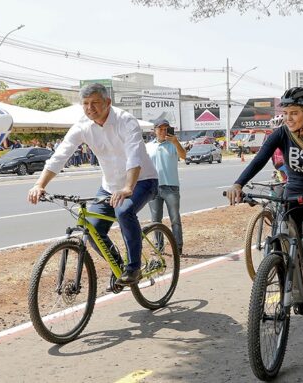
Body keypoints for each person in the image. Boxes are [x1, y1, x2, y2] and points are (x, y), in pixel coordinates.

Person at [226, 87, 303, 312]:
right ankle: (291, 277)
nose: (288, 118)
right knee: (283, 230)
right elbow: (259, 160)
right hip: (292, 192)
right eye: (286, 112)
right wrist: (238, 183)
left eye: (294, 113)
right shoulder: (281, 134)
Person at [27, 83, 158, 285]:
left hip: (141, 181)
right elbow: (61, 155)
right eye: (86, 103)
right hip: (110, 186)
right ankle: (120, 268)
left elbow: (134, 156)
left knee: (124, 212)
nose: (90, 108)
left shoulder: (125, 121)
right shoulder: (82, 126)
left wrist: (127, 188)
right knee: (93, 229)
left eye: (95, 102)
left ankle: (133, 268)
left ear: (108, 102)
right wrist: (40, 184)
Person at [146, 119, 187, 255]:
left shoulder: (172, 144)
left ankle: (177, 247)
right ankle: (158, 247)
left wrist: (175, 142)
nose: (163, 131)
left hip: (171, 187)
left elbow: (183, 156)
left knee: (174, 218)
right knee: (155, 220)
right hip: (153, 187)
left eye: (166, 129)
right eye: (160, 129)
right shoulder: (148, 146)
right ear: (154, 130)